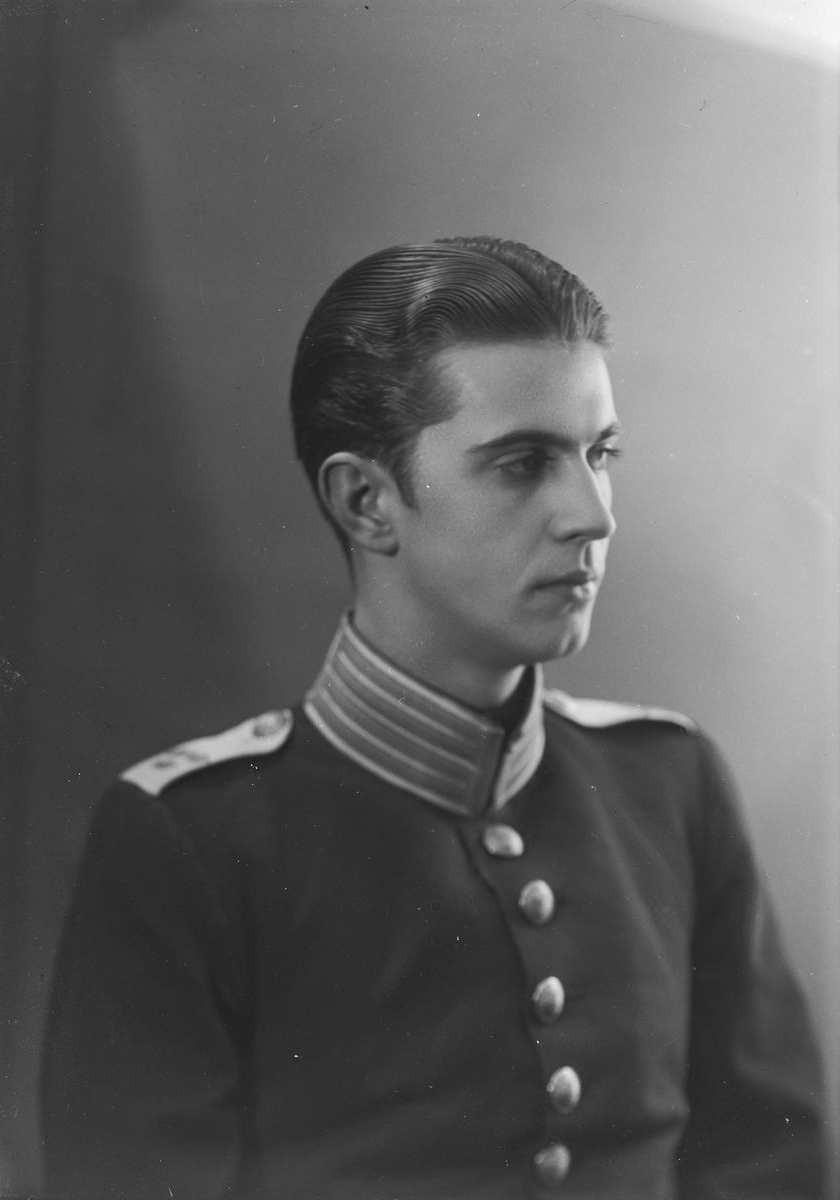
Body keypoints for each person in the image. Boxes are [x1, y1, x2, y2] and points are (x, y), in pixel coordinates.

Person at [42, 238, 825, 1198]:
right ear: (366, 502)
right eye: (523, 464)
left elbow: (771, 1168)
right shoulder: (194, 842)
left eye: (599, 455)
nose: (592, 514)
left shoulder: (668, 781)